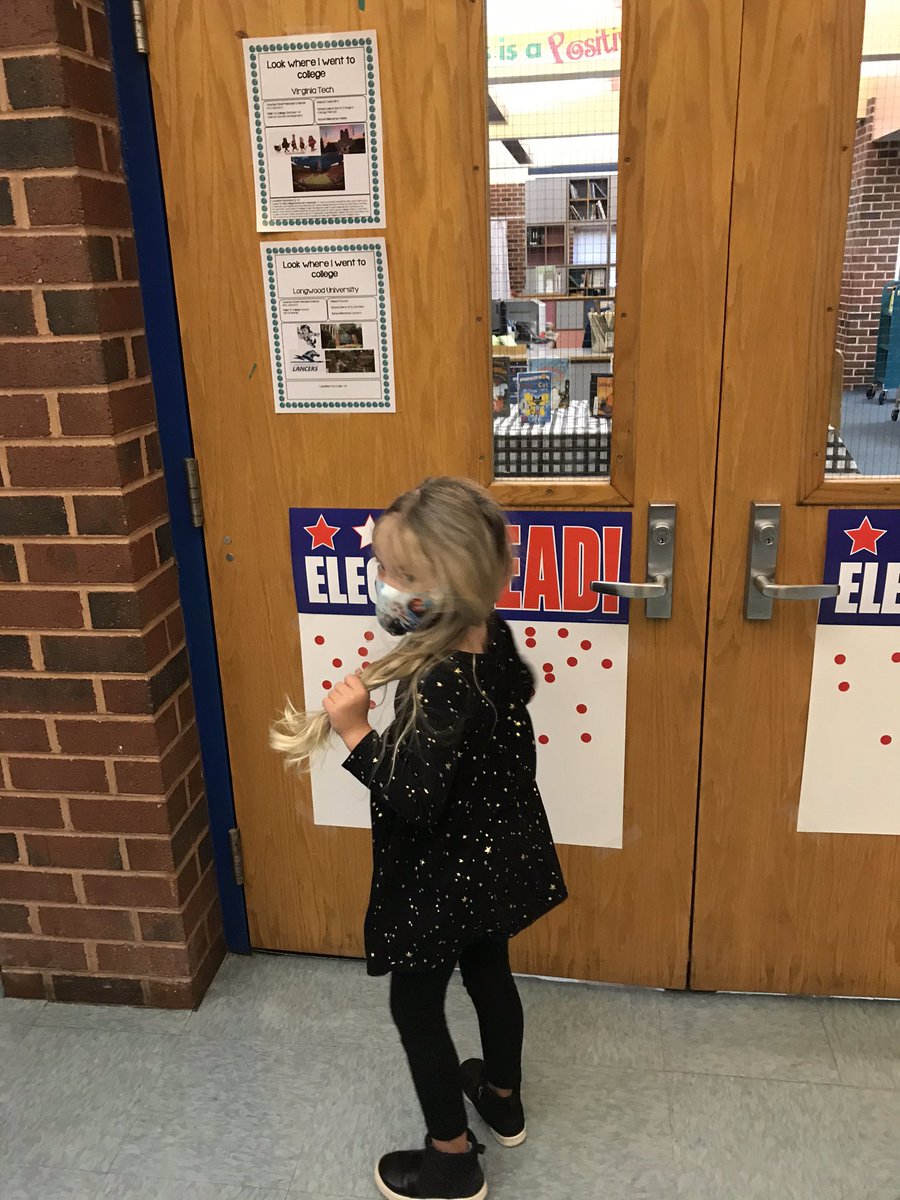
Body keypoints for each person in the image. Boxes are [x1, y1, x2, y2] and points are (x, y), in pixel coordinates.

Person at [271, 477, 567, 1200]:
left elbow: (414, 794)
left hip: (445, 872)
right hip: (494, 857)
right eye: (386, 569)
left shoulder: (440, 680)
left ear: (454, 581)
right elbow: (503, 711)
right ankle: (501, 1097)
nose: (385, 588)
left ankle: (451, 1160)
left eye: (402, 576)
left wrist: (354, 731)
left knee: (415, 1005)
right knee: (490, 972)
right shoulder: (487, 635)